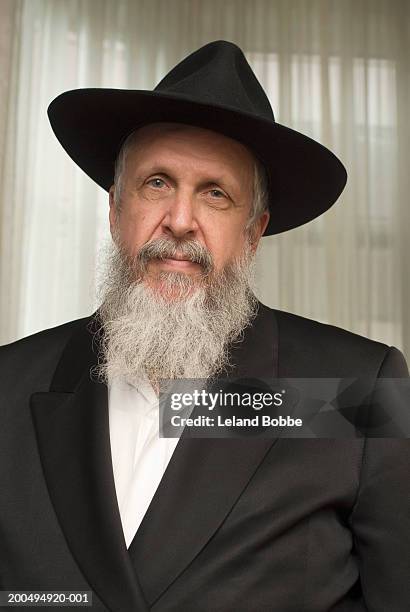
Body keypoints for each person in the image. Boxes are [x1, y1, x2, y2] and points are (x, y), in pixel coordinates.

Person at [1, 40, 409, 612]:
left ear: (253, 230)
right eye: (158, 183)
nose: (180, 221)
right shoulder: (7, 386)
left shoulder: (356, 391)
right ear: (116, 209)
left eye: (215, 194)